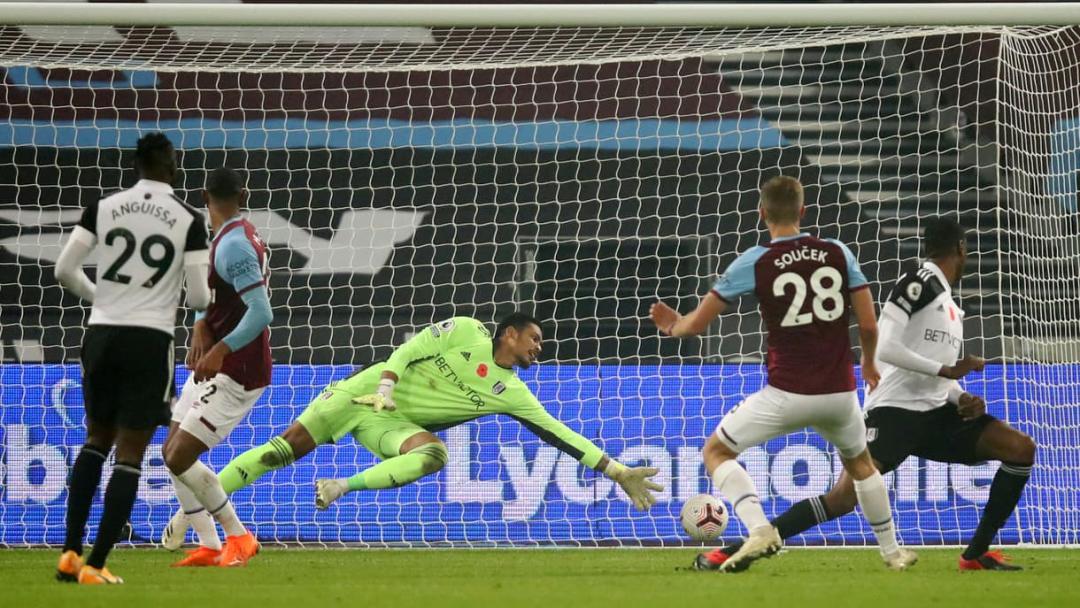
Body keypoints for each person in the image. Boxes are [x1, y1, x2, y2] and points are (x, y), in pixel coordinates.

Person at [697, 216, 1036, 572]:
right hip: (895, 413)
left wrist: (958, 397)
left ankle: (975, 555)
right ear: (961, 250)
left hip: (937, 414)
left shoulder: (951, 305)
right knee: (841, 499)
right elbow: (886, 348)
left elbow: (931, 367)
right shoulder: (920, 282)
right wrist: (947, 371)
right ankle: (735, 549)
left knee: (1019, 449)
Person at [651, 175, 915, 572]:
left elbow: (696, 325)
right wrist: (869, 362)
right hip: (840, 394)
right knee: (862, 466)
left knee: (717, 452)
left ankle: (759, 529)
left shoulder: (755, 260)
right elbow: (870, 325)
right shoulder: (838, 251)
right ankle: (893, 552)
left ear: (762, 214)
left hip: (786, 394)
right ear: (803, 212)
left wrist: (673, 326)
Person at [215, 313, 663, 516]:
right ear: (509, 334)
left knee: (433, 456)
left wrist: (617, 470)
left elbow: (559, 434)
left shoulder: (512, 392)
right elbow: (410, 348)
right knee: (282, 451)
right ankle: (195, 508)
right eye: (534, 338)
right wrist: (386, 385)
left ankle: (338, 488)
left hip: (390, 425)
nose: (538, 348)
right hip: (363, 393)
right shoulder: (466, 331)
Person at [53, 132, 211, 584]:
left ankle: (69, 552)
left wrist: (101, 298)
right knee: (131, 453)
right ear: (169, 165)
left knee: (95, 440)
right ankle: (97, 565)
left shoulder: (104, 206)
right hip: (149, 339)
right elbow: (199, 294)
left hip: (100, 334)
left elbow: (65, 269)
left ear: (137, 166)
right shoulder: (188, 218)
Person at [160, 168, 272, 567]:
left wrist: (221, 349)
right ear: (242, 194)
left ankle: (239, 537)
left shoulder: (234, 247)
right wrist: (201, 324)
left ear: (204, 195)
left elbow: (262, 313)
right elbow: (221, 297)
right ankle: (208, 544)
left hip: (238, 371)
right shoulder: (232, 235)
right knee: (170, 450)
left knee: (179, 457)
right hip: (220, 361)